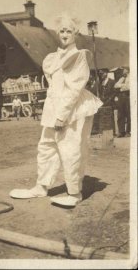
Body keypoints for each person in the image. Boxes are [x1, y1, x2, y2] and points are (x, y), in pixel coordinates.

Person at [9, 15, 103, 207]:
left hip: (72, 109)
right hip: (54, 106)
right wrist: (54, 111)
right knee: (46, 146)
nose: (65, 34)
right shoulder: (52, 58)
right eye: (62, 31)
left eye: (69, 31)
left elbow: (74, 89)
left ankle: (74, 192)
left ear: (75, 33)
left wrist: (62, 115)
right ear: (57, 33)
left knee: (70, 149)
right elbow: (55, 86)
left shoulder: (79, 57)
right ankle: (41, 186)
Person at [114, 68, 131, 137]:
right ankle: (121, 131)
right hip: (121, 97)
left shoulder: (131, 77)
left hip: (127, 96)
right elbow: (115, 86)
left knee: (128, 114)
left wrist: (121, 86)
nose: (123, 72)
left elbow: (129, 87)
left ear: (127, 70)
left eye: (124, 70)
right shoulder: (121, 78)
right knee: (120, 114)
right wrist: (123, 85)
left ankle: (128, 131)